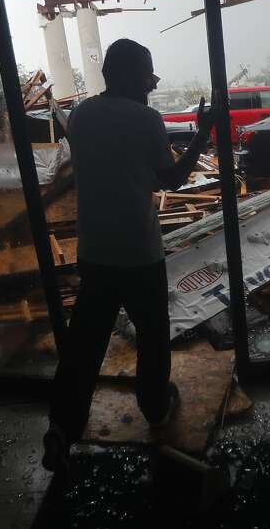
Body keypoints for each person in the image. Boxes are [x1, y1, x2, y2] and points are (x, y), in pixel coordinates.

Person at [42, 39, 214, 471]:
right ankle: (155, 409)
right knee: (153, 338)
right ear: (130, 75)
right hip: (139, 253)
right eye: (148, 75)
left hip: (95, 253)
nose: (151, 85)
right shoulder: (146, 120)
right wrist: (204, 131)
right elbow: (171, 180)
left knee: (84, 345)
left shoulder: (80, 116)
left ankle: (62, 428)